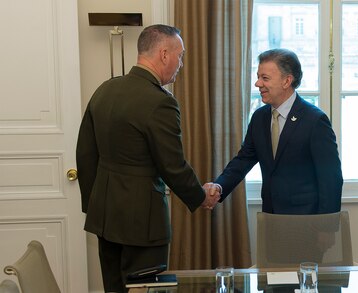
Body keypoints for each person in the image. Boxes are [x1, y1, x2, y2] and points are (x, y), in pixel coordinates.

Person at [76, 24, 219, 293]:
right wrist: (200, 196)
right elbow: (172, 165)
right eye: (180, 55)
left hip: (105, 217)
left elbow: (85, 153)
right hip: (142, 221)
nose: (181, 64)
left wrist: (94, 204)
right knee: (146, 289)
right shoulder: (160, 102)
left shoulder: (105, 89)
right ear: (164, 54)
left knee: (115, 288)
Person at [207, 48, 343, 215]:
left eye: (265, 78)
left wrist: (326, 227)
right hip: (271, 215)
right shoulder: (259, 117)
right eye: (258, 77)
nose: (257, 84)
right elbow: (244, 159)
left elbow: (331, 179)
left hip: (307, 219)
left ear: (287, 81)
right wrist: (219, 186)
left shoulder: (314, 121)